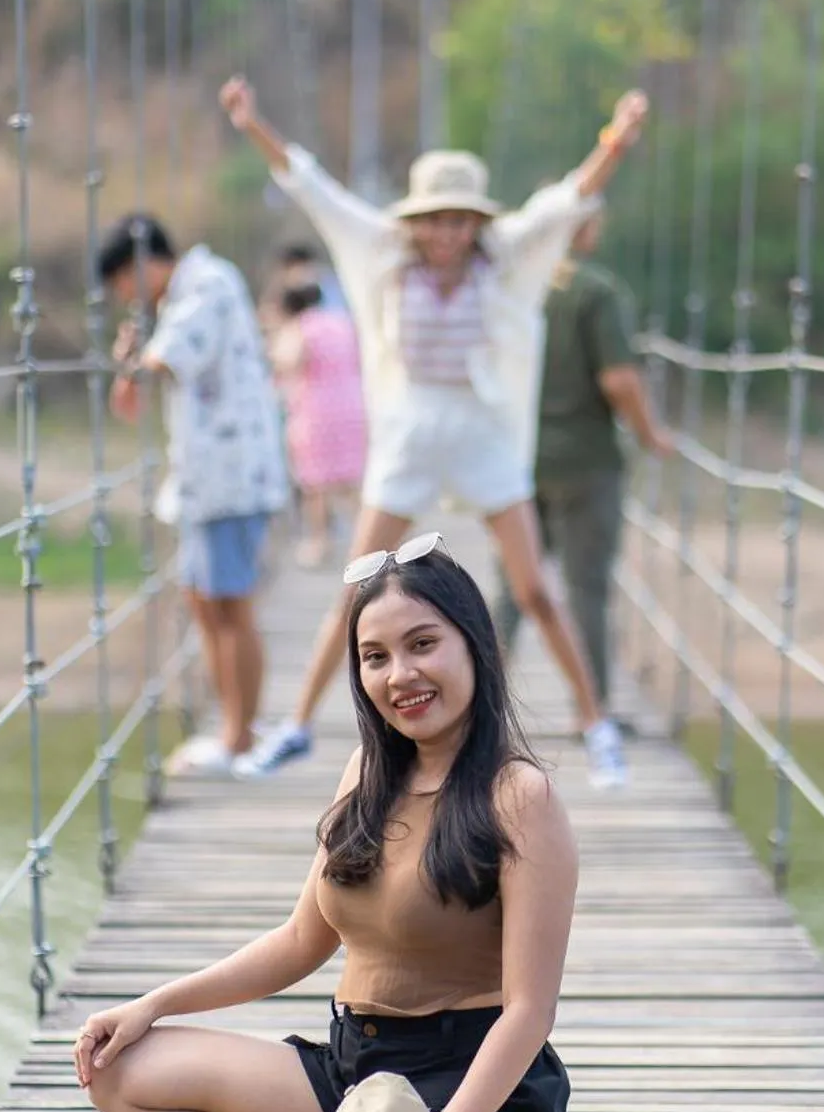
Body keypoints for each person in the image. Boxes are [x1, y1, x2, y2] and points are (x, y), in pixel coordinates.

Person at [74, 538, 580, 1112]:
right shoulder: (364, 775)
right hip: (359, 1080)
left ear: (472, 646)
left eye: (423, 645)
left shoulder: (519, 798)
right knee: (121, 1072)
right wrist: (152, 1004)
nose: (399, 676)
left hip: (477, 1106)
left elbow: (529, 1012)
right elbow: (299, 942)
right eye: (374, 657)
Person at [218, 73, 651, 790]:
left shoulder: (504, 258)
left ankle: (596, 724)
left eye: (458, 220)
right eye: (433, 220)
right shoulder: (383, 253)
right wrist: (251, 123)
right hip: (410, 431)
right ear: (415, 221)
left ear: (474, 223)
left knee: (534, 589)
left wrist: (617, 137)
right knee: (355, 588)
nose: (445, 233)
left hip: (481, 430)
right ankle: (294, 726)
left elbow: (566, 201)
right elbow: (312, 188)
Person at [102, 215, 289, 778]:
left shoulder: (208, 283)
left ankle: (238, 738)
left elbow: (162, 363)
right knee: (207, 604)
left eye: (122, 283)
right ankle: (234, 730)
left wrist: (135, 360)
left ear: (141, 266)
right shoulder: (178, 301)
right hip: (206, 481)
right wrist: (133, 362)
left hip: (230, 479)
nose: (125, 297)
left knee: (230, 605)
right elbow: (134, 393)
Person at [495, 203, 675, 716]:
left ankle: (478, 708)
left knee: (512, 589)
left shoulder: (510, 285)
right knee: (586, 588)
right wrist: (651, 434)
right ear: (584, 229)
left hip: (514, 462)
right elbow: (619, 379)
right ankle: (591, 709)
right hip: (585, 461)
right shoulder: (595, 292)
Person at [268, 275, 368, 569]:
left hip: (316, 411)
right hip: (351, 405)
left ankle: (319, 542)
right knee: (350, 483)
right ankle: (371, 540)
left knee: (316, 485)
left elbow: (290, 361)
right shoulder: (341, 322)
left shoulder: (301, 327)